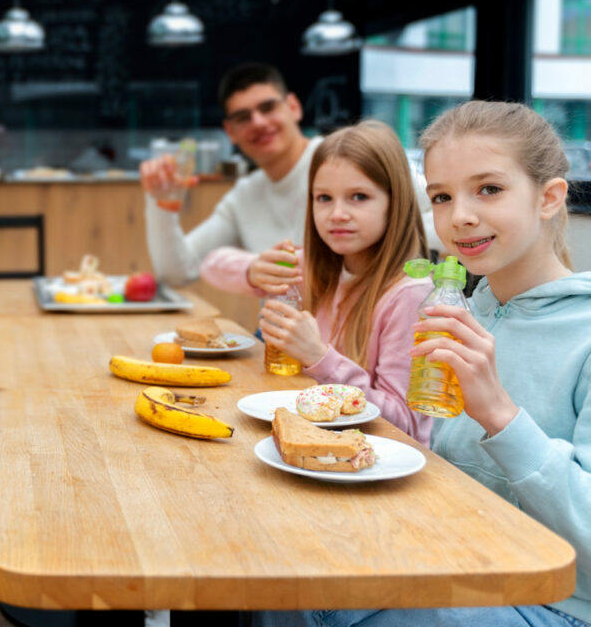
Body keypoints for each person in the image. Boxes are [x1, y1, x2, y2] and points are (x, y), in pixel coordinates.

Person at [256, 101, 591, 627]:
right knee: (277, 561)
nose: (460, 215)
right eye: (442, 196)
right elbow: (429, 462)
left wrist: (501, 416)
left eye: (489, 189)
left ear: (549, 198)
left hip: (555, 601)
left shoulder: (584, 332)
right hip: (450, 559)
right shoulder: (457, 311)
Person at [142, 63, 437, 296]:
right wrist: (161, 203)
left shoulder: (347, 159)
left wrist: (392, 230)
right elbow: (178, 272)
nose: (258, 122)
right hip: (289, 342)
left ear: (293, 107)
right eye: (243, 117)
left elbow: (447, 212)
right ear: (230, 132)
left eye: (268, 107)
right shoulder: (244, 196)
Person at [228, 121, 434, 442]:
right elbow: (213, 266)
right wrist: (256, 272)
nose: (337, 214)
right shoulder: (311, 267)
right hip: (312, 445)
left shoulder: (410, 296)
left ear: (396, 203)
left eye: (359, 197)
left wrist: (318, 357)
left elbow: (405, 426)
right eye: (324, 198)